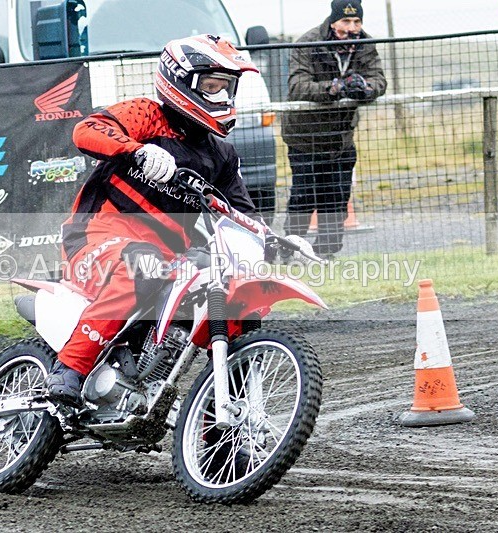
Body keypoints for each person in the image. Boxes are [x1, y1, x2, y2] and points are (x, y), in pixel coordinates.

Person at [45, 35, 262, 405]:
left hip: (172, 256)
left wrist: (270, 242)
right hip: (97, 234)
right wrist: (137, 150)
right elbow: (86, 130)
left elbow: (242, 214)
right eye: (211, 87)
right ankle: (70, 368)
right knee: (142, 264)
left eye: (227, 87)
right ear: (181, 80)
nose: (222, 96)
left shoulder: (222, 155)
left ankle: (220, 435)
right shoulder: (146, 115)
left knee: (240, 305)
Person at [282, 0, 386, 256]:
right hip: (305, 137)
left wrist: (365, 87)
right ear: (333, 21)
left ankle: (326, 253)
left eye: (357, 22)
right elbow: (297, 86)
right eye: (346, 22)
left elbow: (379, 79)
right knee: (304, 197)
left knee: (337, 196)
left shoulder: (365, 44)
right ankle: (288, 249)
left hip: (341, 137)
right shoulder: (308, 43)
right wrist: (335, 88)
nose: (352, 28)